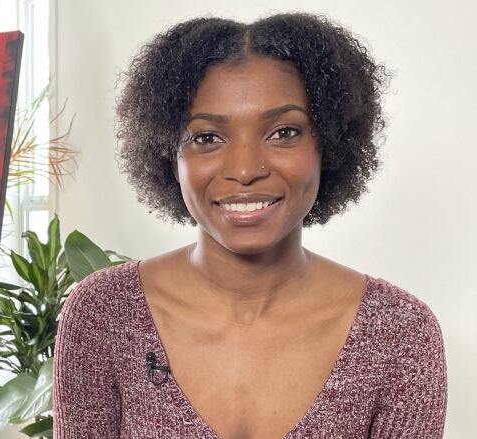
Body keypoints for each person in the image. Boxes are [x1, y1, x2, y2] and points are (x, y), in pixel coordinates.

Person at [53, 13, 447, 438]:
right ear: (170, 155)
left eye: (283, 132)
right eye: (207, 138)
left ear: (329, 144)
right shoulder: (104, 315)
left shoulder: (399, 334)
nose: (245, 170)